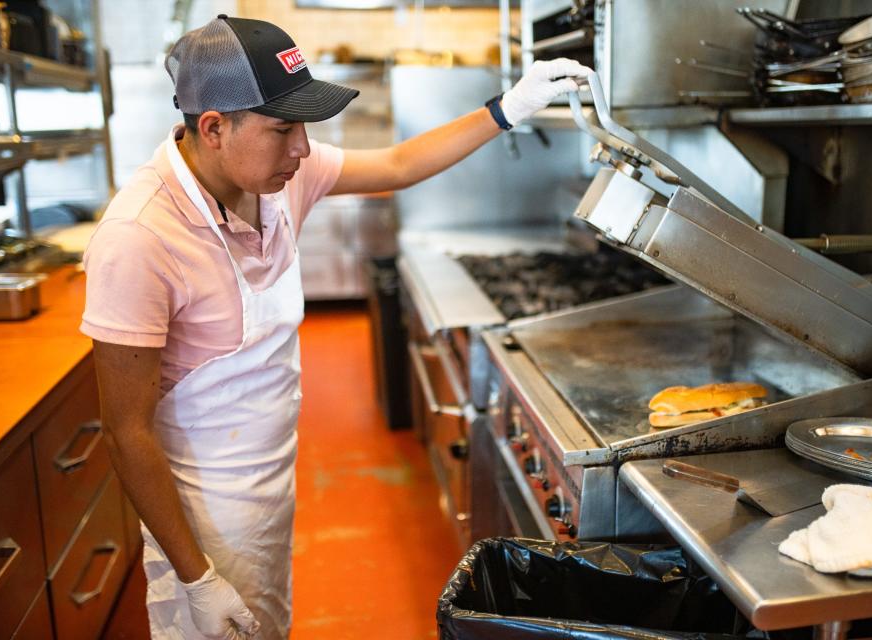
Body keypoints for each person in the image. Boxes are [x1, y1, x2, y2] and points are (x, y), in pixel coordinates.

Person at [81, 14, 591, 640]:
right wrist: (195, 577)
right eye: (284, 129)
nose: (303, 149)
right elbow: (125, 430)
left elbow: (400, 164)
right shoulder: (139, 238)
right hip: (201, 518)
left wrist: (507, 108)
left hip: (272, 481)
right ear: (213, 127)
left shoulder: (270, 181)